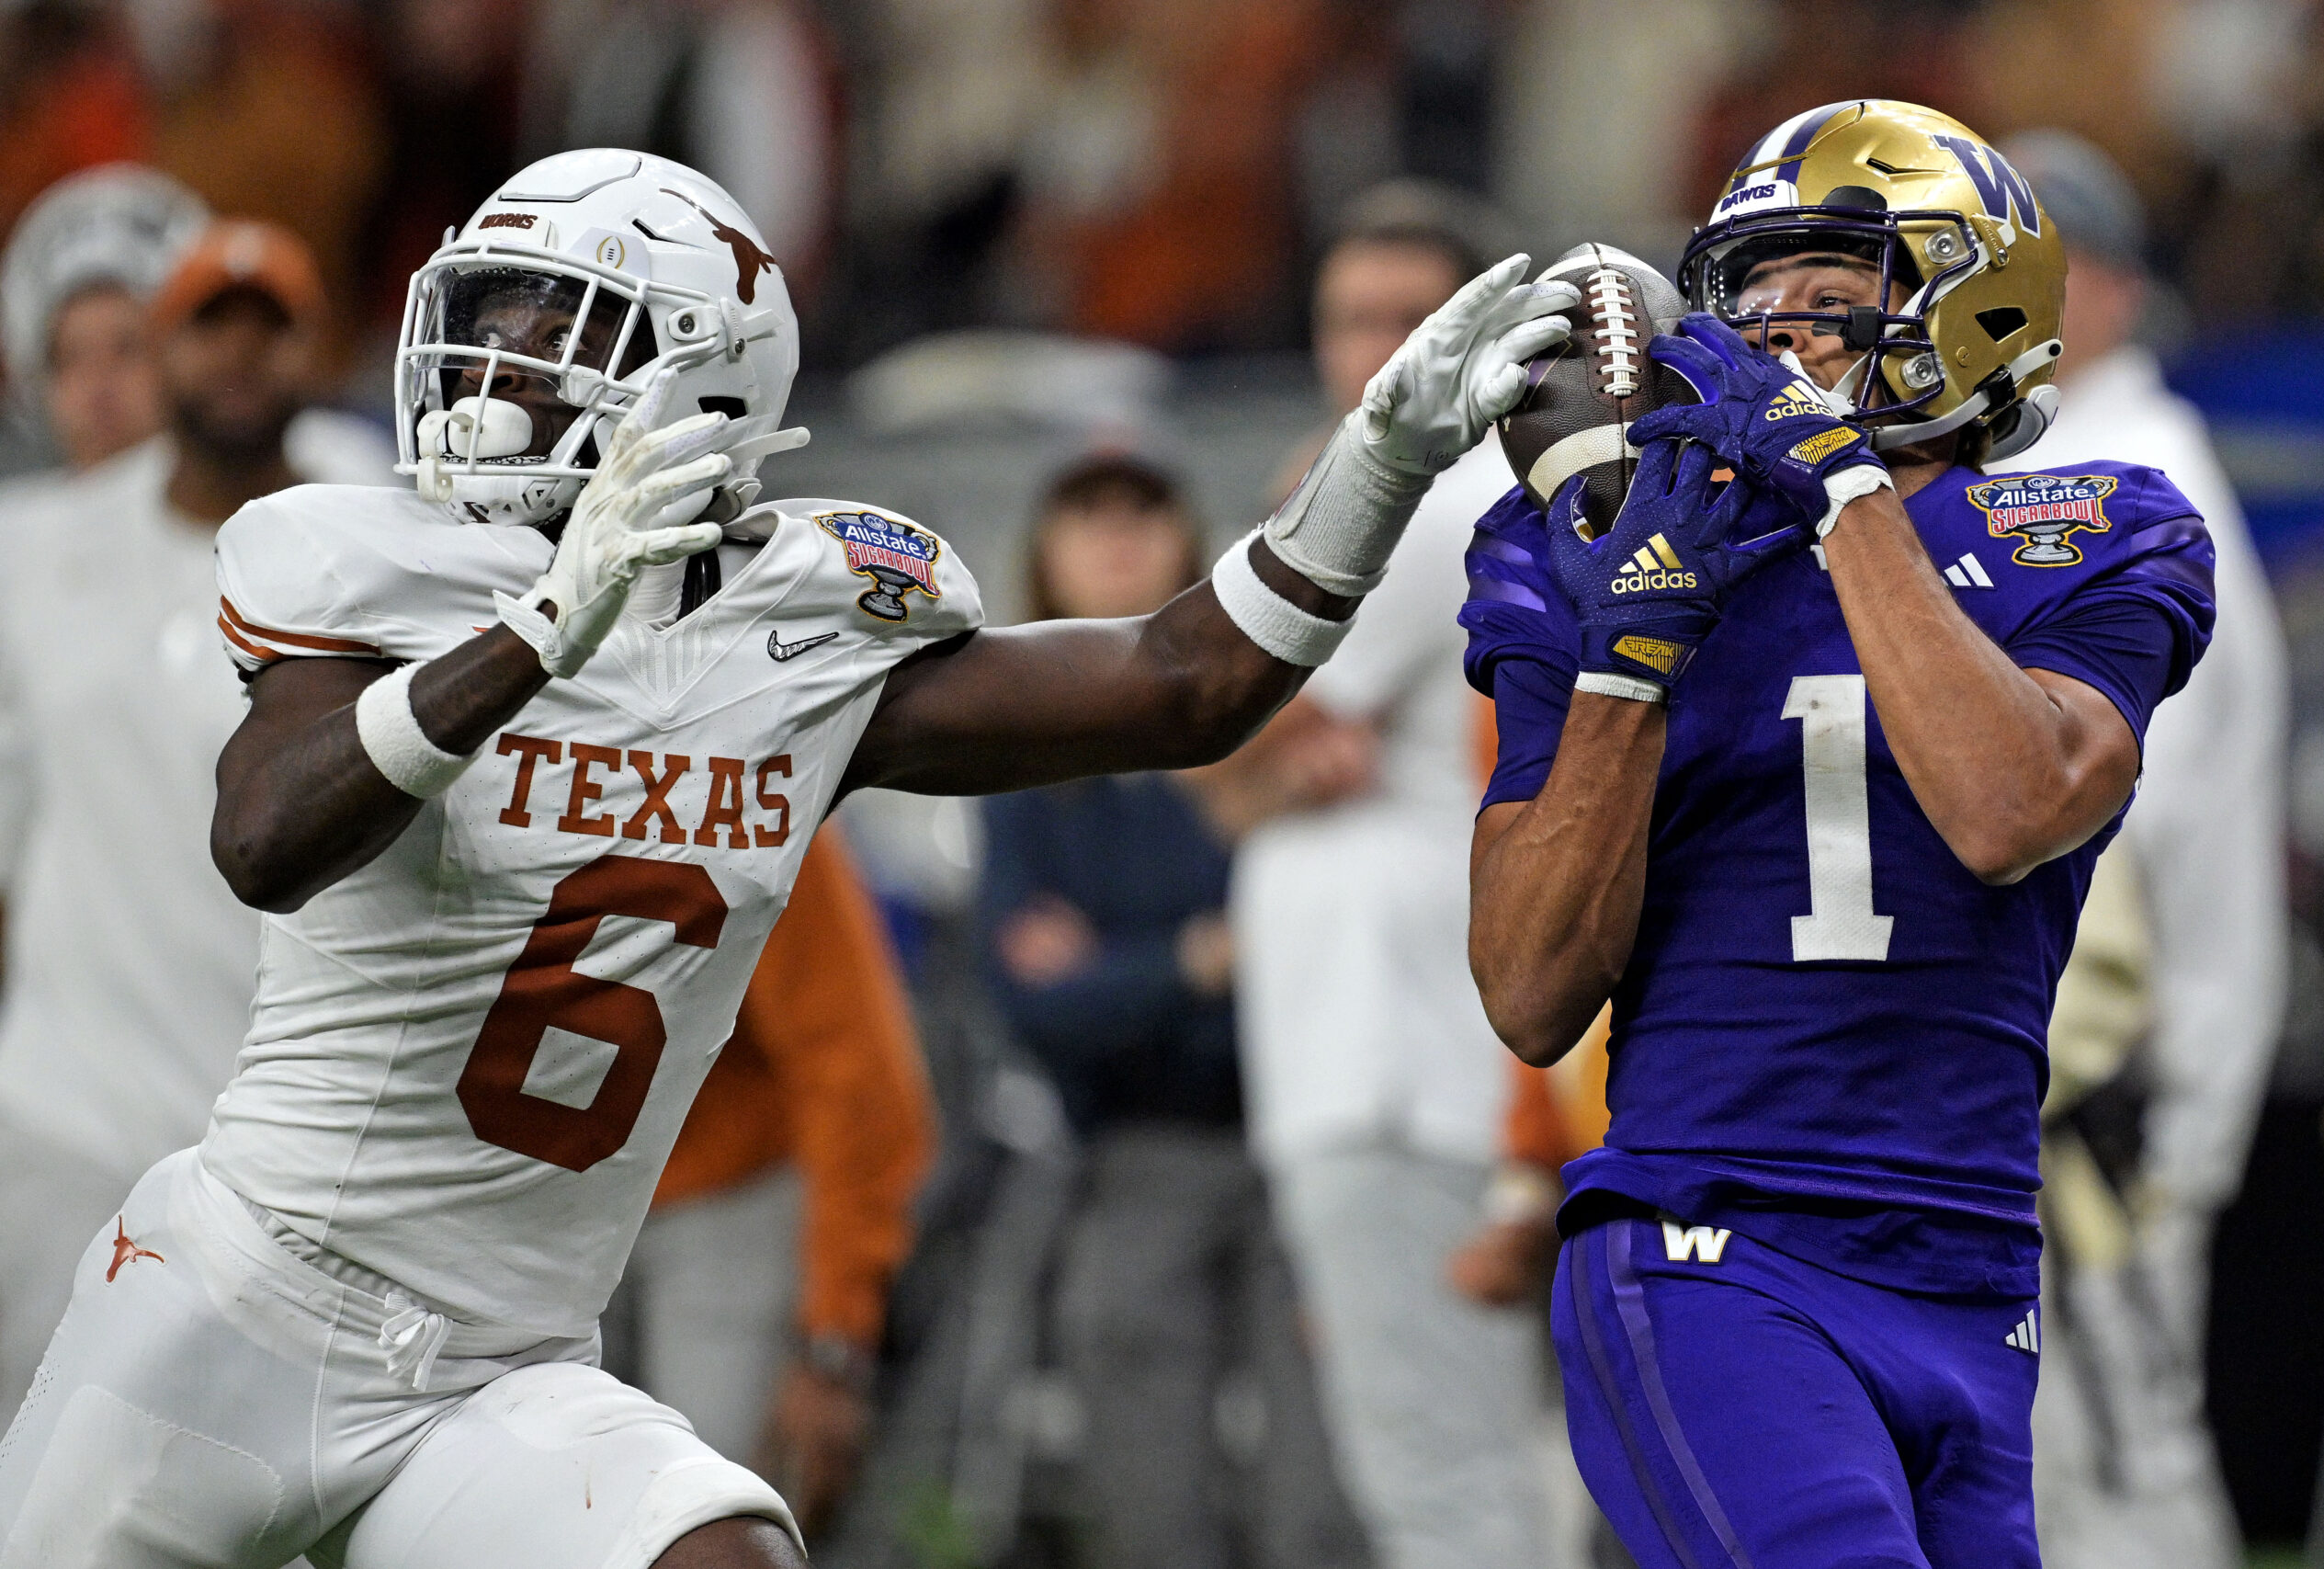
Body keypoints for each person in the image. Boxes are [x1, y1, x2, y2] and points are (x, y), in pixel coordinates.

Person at [0, 147, 1572, 1567]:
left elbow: (1185, 681)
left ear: (701, 380)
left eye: (556, 324)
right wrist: (543, 631)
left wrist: (1382, 457)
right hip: (240, 1309)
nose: (495, 364)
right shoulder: (370, 560)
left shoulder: (803, 632)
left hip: (505, 1363)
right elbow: (266, 835)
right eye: (493, 311)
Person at [1463, 100, 2216, 1569]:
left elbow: (2006, 807)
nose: (1778, 336)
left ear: (1974, 308)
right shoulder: (1602, 541)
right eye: (1754, 298)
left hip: (1976, 1269)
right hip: (1710, 1241)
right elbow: (1529, 989)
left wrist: (1847, 489)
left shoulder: (2100, 525)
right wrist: (1630, 655)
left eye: (1834, 296)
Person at [1210, 186, 1563, 1569]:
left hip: (1403, 1060)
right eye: (1348, 319)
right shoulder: (1386, 486)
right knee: (1482, 1466)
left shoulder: (1447, 493)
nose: (1372, 353)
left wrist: (1235, 748)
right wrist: (1252, 755)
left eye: (1404, 321)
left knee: (1440, 1483)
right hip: (1396, 1055)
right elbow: (1250, 743)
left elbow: (1207, 703)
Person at [0, 218, 392, 1420]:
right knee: (47, 1488)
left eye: (264, 333)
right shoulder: (29, 550)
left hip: (296, 1149)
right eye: (201, 332)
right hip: (73, 1125)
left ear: (314, 349)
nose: (234, 363)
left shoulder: (384, 525)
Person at [1988, 129, 2288, 1569]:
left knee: (2119, 1470)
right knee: (2077, 1466)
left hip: (2116, 1084)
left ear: (2103, 286)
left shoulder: (2123, 482)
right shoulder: (2059, 466)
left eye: (2019, 268)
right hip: (2099, 1076)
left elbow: (2099, 821)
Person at [979, 452, 1362, 1569]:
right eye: (1085, 515)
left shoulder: (1269, 714)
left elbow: (1307, 948)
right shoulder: (1015, 751)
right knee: (1150, 1512)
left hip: (1300, 1136)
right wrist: (1198, 958)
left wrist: (1123, 967)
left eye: (1143, 514)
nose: (1116, 540)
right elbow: (1037, 1007)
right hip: (1135, 1151)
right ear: (1042, 552)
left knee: (1323, 1506)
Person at [607, 824, 934, 1538]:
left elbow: (860, 1080)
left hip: (721, 1196)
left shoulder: (747, 798)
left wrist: (833, 1340)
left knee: (715, 1522)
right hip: (522, 1199)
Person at [0, 164, 207, 479]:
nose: (98, 387)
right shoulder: (15, 521)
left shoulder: (257, 517)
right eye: (69, 358)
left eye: (127, 348)